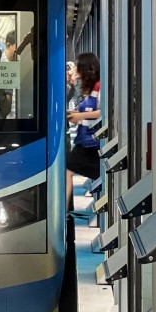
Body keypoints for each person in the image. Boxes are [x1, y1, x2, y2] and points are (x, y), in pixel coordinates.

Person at [66, 52, 101, 205]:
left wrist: (78, 117)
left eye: (78, 66)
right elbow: (86, 112)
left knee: (66, 169)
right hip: (86, 143)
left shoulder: (99, 87)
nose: (75, 70)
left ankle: (63, 210)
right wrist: (73, 114)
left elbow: (104, 112)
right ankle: (64, 209)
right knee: (66, 169)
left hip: (93, 145)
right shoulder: (90, 88)